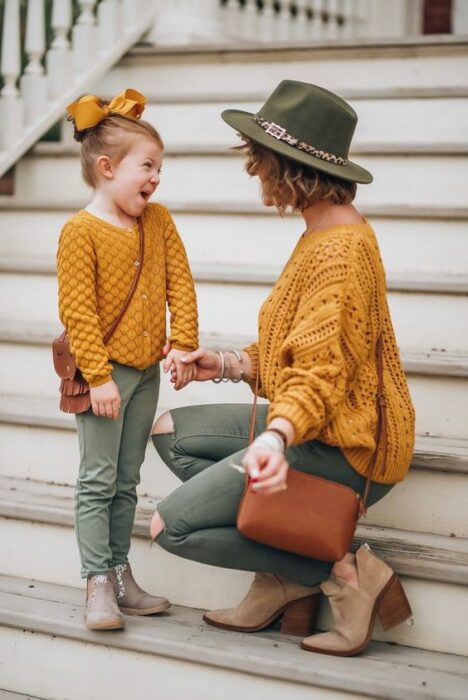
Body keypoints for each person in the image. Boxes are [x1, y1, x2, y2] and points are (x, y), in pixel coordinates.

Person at [149, 80, 415, 656]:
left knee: (173, 527)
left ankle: (338, 572)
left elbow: (321, 375)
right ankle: (281, 578)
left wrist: (276, 434)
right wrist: (221, 362)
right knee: (172, 433)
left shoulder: (340, 250)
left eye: (259, 158)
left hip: (349, 442)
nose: (253, 171)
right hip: (319, 421)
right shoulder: (320, 229)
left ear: (290, 165)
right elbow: (295, 348)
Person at [57, 89, 198, 630]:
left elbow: (180, 283)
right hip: (106, 377)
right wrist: (98, 378)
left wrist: (183, 341)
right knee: (97, 478)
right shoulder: (80, 233)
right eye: (148, 167)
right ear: (107, 167)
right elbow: (78, 312)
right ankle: (96, 581)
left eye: (160, 168)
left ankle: (120, 575)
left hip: (144, 374)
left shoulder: (158, 222)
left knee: (127, 479)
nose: (156, 178)